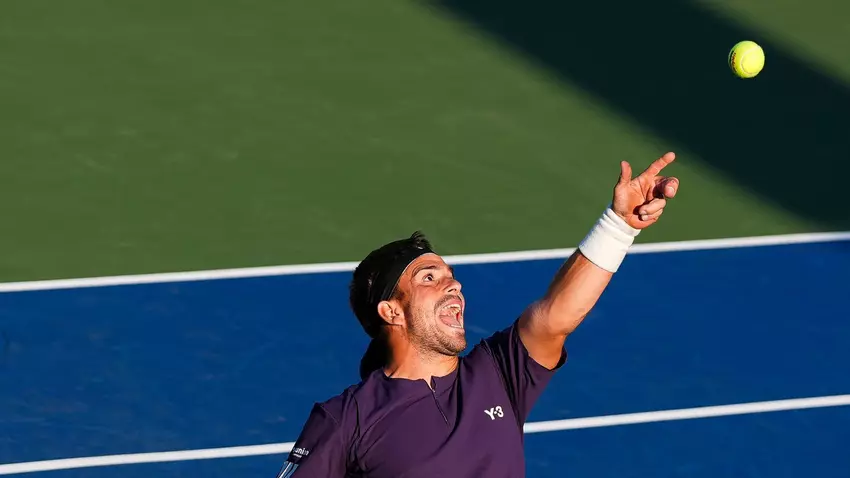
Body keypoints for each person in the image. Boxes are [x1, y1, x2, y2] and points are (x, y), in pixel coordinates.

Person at [275, 153, 680, 477]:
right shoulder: (347, 419)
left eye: (450, 275)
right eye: (429, 277)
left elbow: (557, 316)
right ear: (391, 310)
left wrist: (617, 226)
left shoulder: (497, 374)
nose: (453, 284)